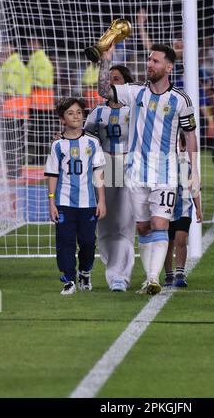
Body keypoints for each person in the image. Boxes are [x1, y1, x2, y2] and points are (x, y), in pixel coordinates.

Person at [97, 43, 201, 295]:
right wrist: (105, 60)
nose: (149, 64)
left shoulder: (181, 100)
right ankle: (151, 277)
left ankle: (153, 278)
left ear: (168, 67)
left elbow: (190, 135)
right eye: (149, 60)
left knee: (159, 223)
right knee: (143, 227)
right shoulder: (134, 92)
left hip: (166, 172)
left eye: (155, 61)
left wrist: (194, 170)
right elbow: (103, 90)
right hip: (135, 172)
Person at [44, 97, 106, 295]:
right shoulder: (57, 145)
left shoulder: (93, 142)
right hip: (63, 202)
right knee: (65, 241)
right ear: (62, 119)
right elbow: (52, 174)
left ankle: (85, 271)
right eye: (71, 113)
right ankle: (69, 279)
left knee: (88, 241)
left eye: (79, 112)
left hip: (88, 202)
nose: (76, 116)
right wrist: (52, 201)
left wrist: (102, 201)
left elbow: (98, 173)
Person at [84, 65, 135, 292]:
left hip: (129, 166)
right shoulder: (97, 112)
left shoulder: (135, 109)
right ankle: (112, 268)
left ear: (126, 83)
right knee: (105, 225)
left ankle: (120, 276)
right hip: (105, 167)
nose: (113, 83)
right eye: (110, 79)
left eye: (117, 79)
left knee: (124, 224)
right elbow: (86, 140)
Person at [163, 132, 203, 288]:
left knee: (180, 239)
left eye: (182, 144)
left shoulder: (187, 164)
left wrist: (198, 208)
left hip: (184, 207)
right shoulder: (163, 162)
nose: (180, 148)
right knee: (167, 242)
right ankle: (168, 274)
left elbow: (194, 187)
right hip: (166, 207)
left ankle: (180, 272)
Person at [0, 42, 31, 178]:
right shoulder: (15, 63)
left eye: (6, 46)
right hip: (17, 108)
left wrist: (3, 96)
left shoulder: (13, 64)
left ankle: (14, 171)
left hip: (12, 107)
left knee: (12, 141)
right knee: (16, 140)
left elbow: (10, 86)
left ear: (12, 48)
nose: (4, 49)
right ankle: (15, 170)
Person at [27, 38, 55, 164]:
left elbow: (42, 79)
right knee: (38, 131)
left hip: (42, 103)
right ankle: (39, 157)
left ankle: (42, 158)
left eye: (32, 43)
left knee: (42, 132)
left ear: (37, 44)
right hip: (38, 102)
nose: (29, 46)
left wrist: (29, 83)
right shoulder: (36, 58)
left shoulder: (41, 59)